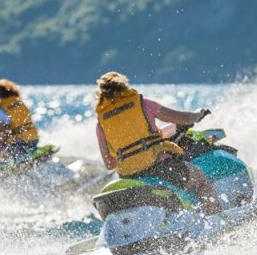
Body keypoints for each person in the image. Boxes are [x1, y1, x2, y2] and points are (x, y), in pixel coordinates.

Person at [94, 71, 220, 214]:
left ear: (101, 95)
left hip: (129, 177)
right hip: (159, 168)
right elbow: (184, 119)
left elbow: (109, 164)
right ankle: (214, 219)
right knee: (201, 180)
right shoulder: (143, 104)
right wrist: (198, 114)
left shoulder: (101, 124)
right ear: (124, 88)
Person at [0, 78, 39, 158]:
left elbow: (3, 132)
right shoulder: (20, 103)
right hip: (34, 138)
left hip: (20, 143)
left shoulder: (0, 110)